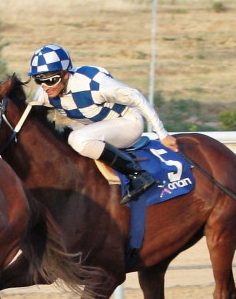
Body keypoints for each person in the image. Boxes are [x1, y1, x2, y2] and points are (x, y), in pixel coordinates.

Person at [26, 44, 179, 204]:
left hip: (128, 122)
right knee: (60, 139)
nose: (45, 87)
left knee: (77, 139)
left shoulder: (94, 84)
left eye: (50, 80)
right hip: (98, 125)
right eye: (39, 80)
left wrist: (162, 134)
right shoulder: (45, 93)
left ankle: (137, 175)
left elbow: (135, 96)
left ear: (65, 75)